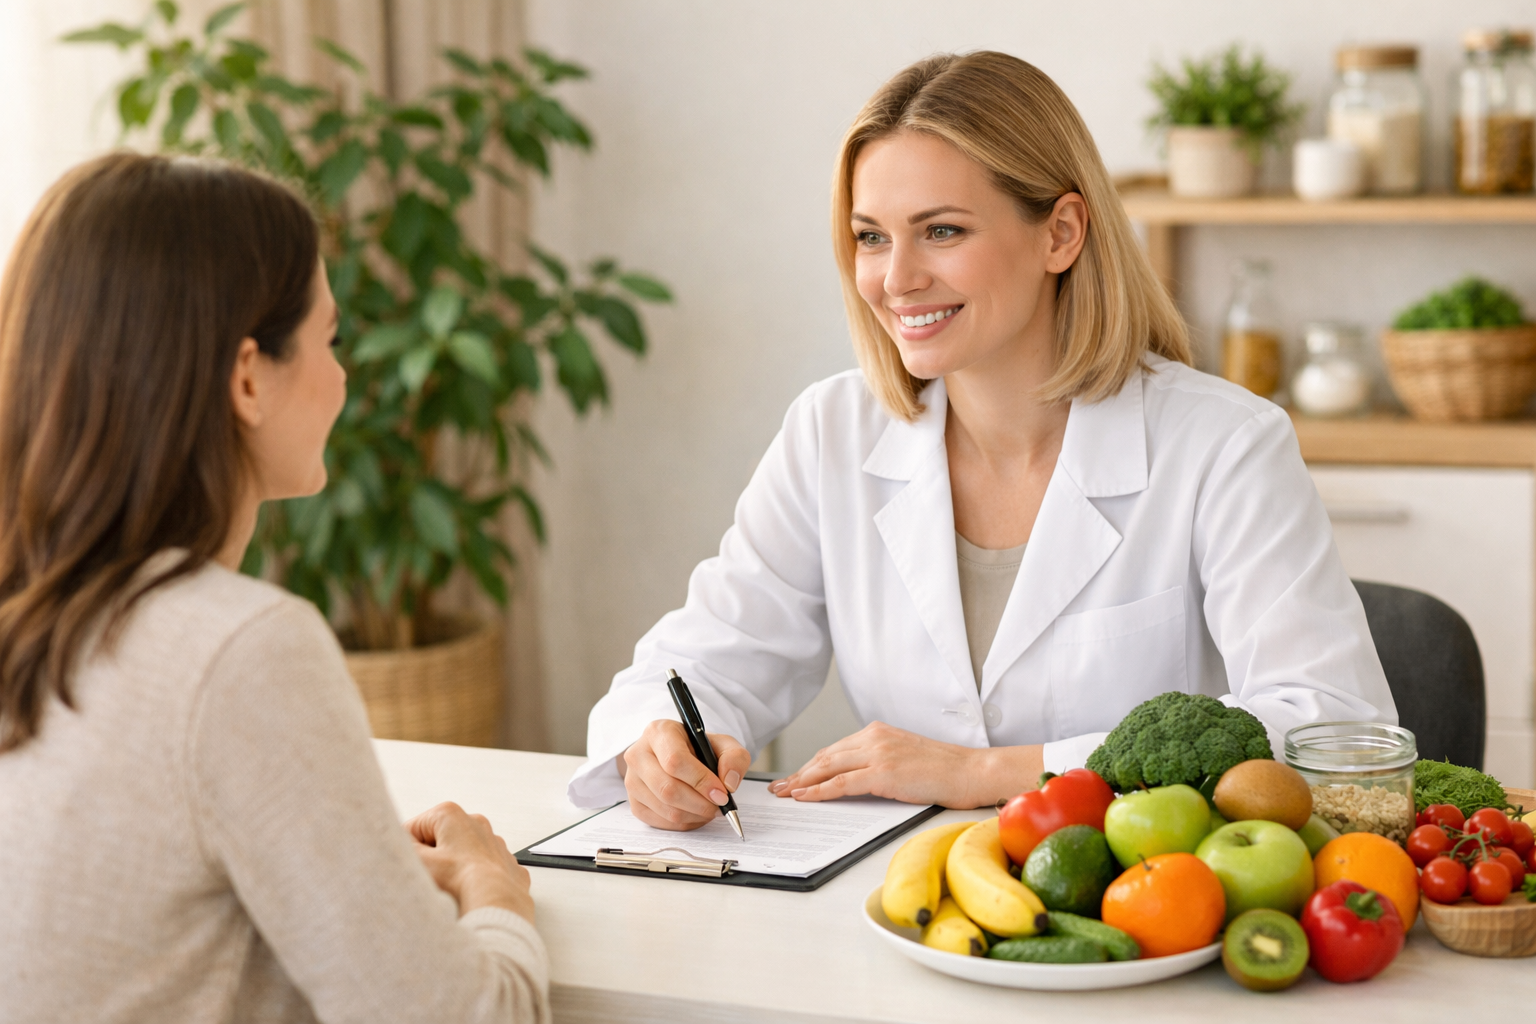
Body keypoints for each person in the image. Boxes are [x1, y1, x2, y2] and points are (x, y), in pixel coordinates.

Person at [569, 51, 1395, 828]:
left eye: (943, 231)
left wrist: (990, 771)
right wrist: (658, 747)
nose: (896, 280)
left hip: (1149, 919)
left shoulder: (1225, 446)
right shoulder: (831, 432)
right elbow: (702, 662)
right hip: (912, 910)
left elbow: (1334, 729)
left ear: (1061, 234)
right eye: (871, 236)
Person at [0, 153, 549, 1023]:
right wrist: (494, 889)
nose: (343, 377)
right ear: (248, 377)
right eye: (329, 340)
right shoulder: (236, 649)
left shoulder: (34, 618)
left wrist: (361, 874)